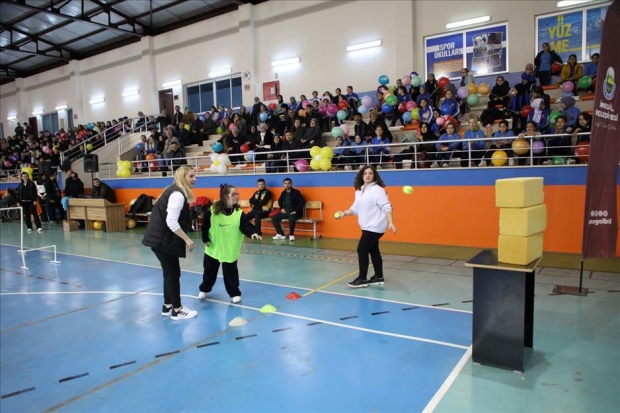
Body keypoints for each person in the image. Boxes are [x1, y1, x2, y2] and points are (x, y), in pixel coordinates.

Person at [141, 165, 198, 320]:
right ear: (182, 177)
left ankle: (167, 305)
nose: (194, 179)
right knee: (172, 273)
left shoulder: (173, 190)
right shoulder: (177, 194)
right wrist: (187, 239)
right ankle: (177, 310)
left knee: (170, 273)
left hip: (159, 239)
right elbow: (171, 221)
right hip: (162, 240)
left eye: (195, 176)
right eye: (191, 176)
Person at [198, 185, 262, 304]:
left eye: (237, 194)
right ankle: (204, 289)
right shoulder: (212, 211)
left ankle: (234, 293)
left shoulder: (239, 213)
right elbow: (205, 226)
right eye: (234, 194)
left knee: (231, 273)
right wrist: (205, 238)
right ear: (225, 196)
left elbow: (245, 227)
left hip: (230, 249)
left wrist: (252, 233)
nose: (237, 196)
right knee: (209, 271)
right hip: (213, 248)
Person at [334, 166, 396, 288]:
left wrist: (391, 222)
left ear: (374, 176)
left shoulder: (378, 190)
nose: (367, 175)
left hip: (376, 226)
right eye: (365, 173)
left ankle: (362, 279)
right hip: (366, 226)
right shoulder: (359, 191)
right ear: (362, 176)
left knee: (362, 250)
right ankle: (379, 277)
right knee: (373, 250)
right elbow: (355, 209)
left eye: (370, 173)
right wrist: (344, 213)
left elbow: (387, 207)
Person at [271, 177, 305, 241]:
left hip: (296, 213)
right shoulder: (283, 193)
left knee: (291, 218)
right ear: (283, 184)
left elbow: (302, 202)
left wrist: (296, 211)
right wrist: (282, 208)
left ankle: (291, 234)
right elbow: (280, 201)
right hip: (286, 212)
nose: (287, 185)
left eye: (288, 183)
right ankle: (280, 234)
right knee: (274, 218)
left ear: (291, 184)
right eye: (285, 183)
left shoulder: (296, 192)